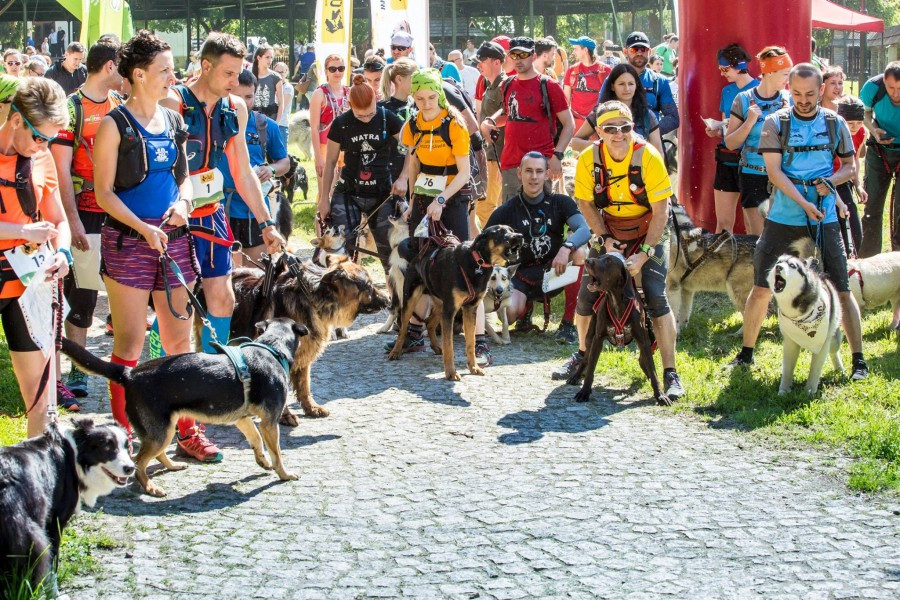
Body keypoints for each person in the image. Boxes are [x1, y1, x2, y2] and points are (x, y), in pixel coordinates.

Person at [157, 32, 285, 462]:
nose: (236, 80)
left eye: (238, 71)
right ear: (206, 66)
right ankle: (174, 408)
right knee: (176, 312)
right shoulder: (173, 101)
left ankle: (214, 386)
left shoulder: (237, 108)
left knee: (224, 296)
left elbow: (243, 171)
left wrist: (266, 221)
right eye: (228, 72)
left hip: (211, 212)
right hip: (172, 216)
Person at [726, 62, 868, 381]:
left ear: (821, 91)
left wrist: (831, 181)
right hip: (784, 215)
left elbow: (850, 166)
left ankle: (859, 360)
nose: (803, 100)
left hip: (825, 215)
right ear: (789, 90)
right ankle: (746, 353)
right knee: (762, 287)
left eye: (810, 94)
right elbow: (774, 172)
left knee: (841, 288)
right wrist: (804, 201)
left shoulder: (835, 123)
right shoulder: (776, 122)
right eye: (798, 93)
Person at [91, 31, 194, 444]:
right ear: (138, 74)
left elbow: (185, 180)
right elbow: (103, 194)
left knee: (178, 340)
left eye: (172, 68)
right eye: (164, 70)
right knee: (130, 342)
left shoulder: (173, 120)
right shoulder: (113, 126)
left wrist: (183, 205)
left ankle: (187, 429)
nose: (172, 76)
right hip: (128, 244)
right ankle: (123, 433)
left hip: (173, 242)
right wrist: (142, 228)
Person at [552, 101, 685, 400]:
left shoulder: (648, 156)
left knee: (654, 292)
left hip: (649, 230)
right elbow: (585, 203)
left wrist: (645, 253)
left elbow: (662, 211)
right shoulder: (589, 158)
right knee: (587, 293)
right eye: (610, 129)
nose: (618, 134)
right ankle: (583, 354)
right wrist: (604, 238)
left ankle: (670, 372)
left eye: (625, 128)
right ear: (599, 131)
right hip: (609, 230)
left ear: (632, 129)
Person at [390, 69, 496, 365]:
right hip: (425, 194)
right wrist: (413, 201)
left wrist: (441, 199)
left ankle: (481, 340)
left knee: (466, 262)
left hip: (452, 193)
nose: (425, 103)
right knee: (420, 262)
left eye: (431, 97)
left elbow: (464, 172)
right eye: (419, 98)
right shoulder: (413, 124)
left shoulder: (455, 125)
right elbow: (413, 163)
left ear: (439, 95)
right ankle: (414, 331)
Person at [51, 37, 123, 400]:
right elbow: (61, 172)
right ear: (110, 66)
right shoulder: (72, 107)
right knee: (82, 300)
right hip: (86, 214)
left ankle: (130, 370)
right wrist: (73, 221)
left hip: (118, 215)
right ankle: (76, 372)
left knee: (126, 295)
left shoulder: (119, 104)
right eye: (122, 65)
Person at [0, 77, 72, 437]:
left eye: (50, 138)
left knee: (42, 399)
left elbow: (58, 218)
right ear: (15, 120)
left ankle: (38, 485)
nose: (44, 145)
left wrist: (62, 252)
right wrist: (23, 232)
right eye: (39, 136)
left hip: (26, 285)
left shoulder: (40, 158)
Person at [485, 152, 590, 339]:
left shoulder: (560, 202)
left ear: (547, 174)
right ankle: (524, 311)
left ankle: (567, 324)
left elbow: (584, 230)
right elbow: (483, 246)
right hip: (520, 276)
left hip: (554, 272)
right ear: (519, 173)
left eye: (539, 171)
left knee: (579, 252)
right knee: (508, 315)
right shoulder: (506, 210)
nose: (534, 177)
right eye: (529, 171)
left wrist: (566, 248)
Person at [319, 74, 406, 274]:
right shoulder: (341, 123)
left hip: (382, 192)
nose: (366, 119)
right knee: (340, 250)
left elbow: (412, 147)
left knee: (389, 255)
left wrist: (403, 178)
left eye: (369, 114)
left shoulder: (387, 118)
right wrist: (324, 198)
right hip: (349, 191)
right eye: (360, 116)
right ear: (350, 106)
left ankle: (394, 300)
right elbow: (331, 162)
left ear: (376, 99)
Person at [481, 36, 574, 202]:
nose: (518, 59)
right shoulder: (507, 84)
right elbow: (509, 112)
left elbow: (569, 123)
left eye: (523, 55)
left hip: (539, 164)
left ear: (533, 56)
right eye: (514, 55)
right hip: (511, 164)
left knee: (541, 219)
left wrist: (557, 156)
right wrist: (490, 121)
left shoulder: (549, 85)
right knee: (512, 222)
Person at [223, 69, 290, 267]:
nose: (243, 102)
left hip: (252, 211)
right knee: (227, 274)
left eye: (249, 97)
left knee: (255, 273)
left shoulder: (266, 125)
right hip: (220, 208)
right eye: (237, 97)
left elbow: (284, 162)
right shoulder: (215, 122)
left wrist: (271, 169)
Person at [724, 46, 792, 236]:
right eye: (785, 74)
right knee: (758, 237)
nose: (788, 80)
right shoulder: (744, 99)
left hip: (783, 174)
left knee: (783, 235)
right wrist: (749, 122)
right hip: (753, 173)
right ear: (769, 72)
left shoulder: (790, 100)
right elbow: (730, 143)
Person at [708, 43, 758, 234]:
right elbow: (726, 129)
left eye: (724, 69)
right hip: (727, 159)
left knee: (752, 225)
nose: (722, 74)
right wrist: (715, 131)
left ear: (738, 65)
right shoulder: (726, 91)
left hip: (750, 162)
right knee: (723, 225)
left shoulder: (760, 89)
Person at [571, 64, 663, 157]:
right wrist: (602, 146)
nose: (627, 88)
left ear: (637, 86)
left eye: (631, 84)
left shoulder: (647, 115)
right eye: (621, 84)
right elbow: (574, 142)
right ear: (612, 86)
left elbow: (659, 153)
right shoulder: (601, 113)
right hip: (606, 168)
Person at [859, 61, 900, 257]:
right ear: (884, 80)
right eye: (891, 87)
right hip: (878, 150)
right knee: (872, 206)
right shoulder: (872, 88)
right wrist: (874, 130)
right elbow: (865, 113)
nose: (896, 94)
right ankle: (868, 261)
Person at [602, 32, 678, 136]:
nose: (639, 53)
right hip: (618, 143)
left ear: (650, 52)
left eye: (643, 49)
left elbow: (673, 117)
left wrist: (648, 134)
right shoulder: (612, 80)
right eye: (634, 49)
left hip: (651, 146)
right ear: (625, 51)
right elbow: (599, 113)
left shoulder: (660, 81)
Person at [472, 41, 506, 228]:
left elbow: (509, 117)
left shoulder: (505, 85)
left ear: (497, 62)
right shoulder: (490, 85)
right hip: (492, 155)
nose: (478, 65)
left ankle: (492, 249)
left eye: (482, 60)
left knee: (485, 207)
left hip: (498, 156)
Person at [309, 53, 349, 210]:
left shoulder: (349, 92)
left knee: (341, 192)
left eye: (341, 68)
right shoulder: (319, 94)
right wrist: (318, 156)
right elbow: (314, 127)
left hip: (345, 148)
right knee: (325, 193)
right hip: (325, 146)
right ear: (326, 71)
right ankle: (321, 230)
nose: (337, 72)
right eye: (333, 69)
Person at [835, 96, 867, 255]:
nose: (855, 127)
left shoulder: (862, 132)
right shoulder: (832, 131)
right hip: (825, 181)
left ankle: (855, 261)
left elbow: (855, 161)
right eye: (850, 123)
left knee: (855, 226)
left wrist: (858, 185)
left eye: (859, 122)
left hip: (843, 181)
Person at [379, 57, 417, 184]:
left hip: (415, 172)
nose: (418, 82)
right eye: (414, 78)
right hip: (391, 174)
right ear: (399, 79)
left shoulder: (417, 104)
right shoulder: (382, 109)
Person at [564, 36, 611, 132]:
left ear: (585, 50)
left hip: (597, 124)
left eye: (576, 49)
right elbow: (565, 101)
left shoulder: (605, 70)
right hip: (576, 124)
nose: (573, 52)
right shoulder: (571, 70)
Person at [251, 44, 283, 122]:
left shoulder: (276, 77)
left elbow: (281, 103)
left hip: (270, 118)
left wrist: (277, 123)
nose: (270, 60)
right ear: (259, 58)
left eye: (271, 57)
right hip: (253, 117)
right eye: (267, 57)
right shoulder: (251, 76)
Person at [273, 61, 293, 147]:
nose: (280, 74)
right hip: (269, 124)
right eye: (277, 72)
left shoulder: (288, 88)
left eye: (282, 72)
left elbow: (281, 106)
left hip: (281, 125)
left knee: (282, 156)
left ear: (286, 73)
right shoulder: (270, 86)